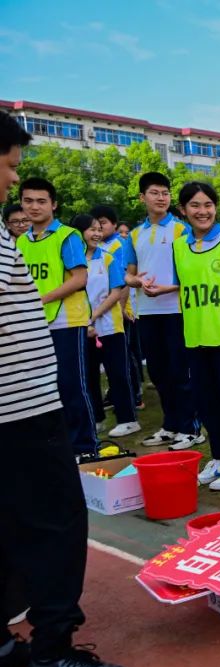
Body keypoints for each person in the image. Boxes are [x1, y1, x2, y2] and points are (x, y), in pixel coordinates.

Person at [0, 110, 128, 667]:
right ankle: (52, 650)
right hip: (20, 412)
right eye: (8, 167)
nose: (12, 183)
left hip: (22, 405)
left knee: (9, 522)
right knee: (54, 522)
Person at [156, 181, 220, 491]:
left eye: (208, 205)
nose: (202, 211)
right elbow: (185, 286)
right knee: (207, 401)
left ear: (216, 208)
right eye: (195, 206)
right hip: (196, 334)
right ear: (184, 210)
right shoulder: (179, 247)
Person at [16, 178, 97, 460]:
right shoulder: (23, 241)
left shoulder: (68, 236)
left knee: (71, 385)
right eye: (28, 201)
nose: (34, 207)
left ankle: (85, 447)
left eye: (41, 201)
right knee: (43, 387)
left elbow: (79, 278)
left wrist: (42, 299)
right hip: (34, 323)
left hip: (66, 321)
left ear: (54, 204)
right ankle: (58, 445)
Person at [124, 171, 201, 450]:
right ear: (142, 197)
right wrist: (138, 282)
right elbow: (129, 275)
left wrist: (167, 288)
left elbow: (191, 271)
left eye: (165, 193)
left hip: (176, 310)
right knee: (158, 372)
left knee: (181, 371)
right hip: (147, 311)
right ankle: (171, 425)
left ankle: (191, 428)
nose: (161, 198)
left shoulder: (181, 230)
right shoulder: (134, 234)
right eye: (155, 193)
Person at [70, 214, 138, 438]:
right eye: (91, 229)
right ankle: (96, 418)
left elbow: (116, 291)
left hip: (109, 326)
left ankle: (127, 419)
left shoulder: (107, 258)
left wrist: (94, 316)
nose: (97, 233)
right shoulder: (71, 260)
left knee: (117, 374)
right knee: (88, 376)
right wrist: (85, 321)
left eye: (99, 229)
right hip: (81, 327)